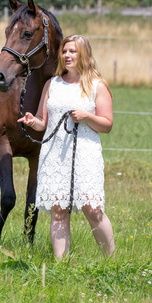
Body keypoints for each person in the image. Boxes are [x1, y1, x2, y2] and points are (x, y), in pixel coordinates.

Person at [18, 34, 115, 259]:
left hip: (84, 152)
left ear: (84, 54)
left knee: (92, 209)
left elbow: (107, 125)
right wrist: (34, 121)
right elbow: (44, 121)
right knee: (58, 210)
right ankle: (62, 266)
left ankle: (111, 260)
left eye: (73, 51)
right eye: (64, 51)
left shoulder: (97, 85)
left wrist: (86, 117)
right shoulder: (52, 84)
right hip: (54, 153)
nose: (67, 55)